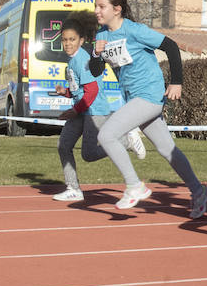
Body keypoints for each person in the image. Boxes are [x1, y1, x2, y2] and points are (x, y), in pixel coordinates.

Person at [91, 0, 207, 218]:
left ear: (117, 9)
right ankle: (199, 191)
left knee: (106, 135)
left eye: (101, 6)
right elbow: (96, 71)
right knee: (167, 148)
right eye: (95, 6)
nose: (97, 11)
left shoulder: (135, 30)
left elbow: (171, 46)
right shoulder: (101, 36)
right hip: (133, 97)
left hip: (149, 94)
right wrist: (96, 54)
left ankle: (134, 185)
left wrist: (176, 82)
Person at [50, 11, 145, 202]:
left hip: (94, 111)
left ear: (81, 40)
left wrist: (73, 110)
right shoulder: (72, 60)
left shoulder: (81, 60)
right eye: (64, 40)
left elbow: (92, 91)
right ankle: (73, 189)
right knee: (64, 145)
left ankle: (126, 141)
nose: (68, 43)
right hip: (81, 109)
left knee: (89, 154)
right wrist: (66, 92)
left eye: (72, 39)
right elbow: (80, 90)